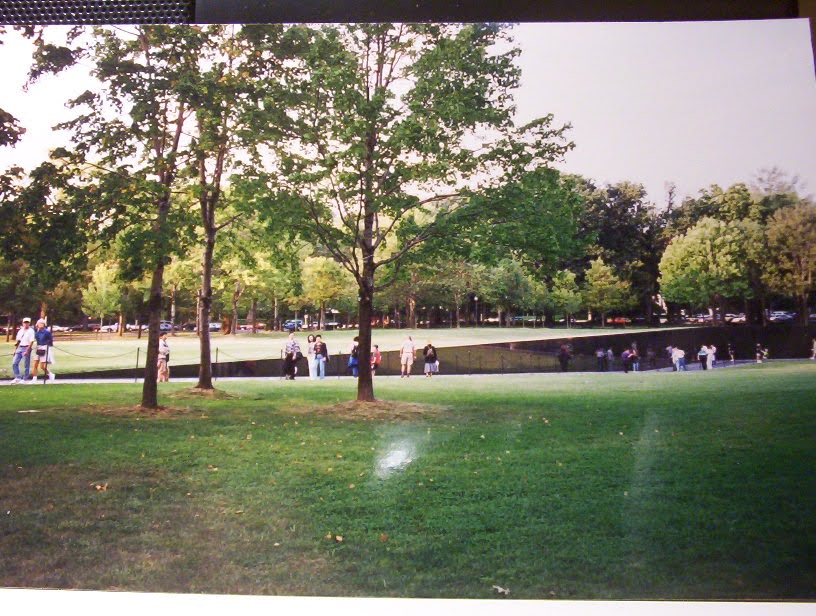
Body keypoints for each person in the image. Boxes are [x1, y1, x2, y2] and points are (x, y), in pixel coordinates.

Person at [11, 317, 36, 384]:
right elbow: (18, 341)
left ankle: (25, 379)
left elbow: (31, 341)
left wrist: (27, 350)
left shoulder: (31, 331)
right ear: (23, 323)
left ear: (29, 323)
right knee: (14, 363)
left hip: (26, 347)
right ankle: (18, 377)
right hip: (20, 347)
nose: (26, 324)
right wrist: (15, 350)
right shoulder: (20, 331)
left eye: (27, 323)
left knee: (26, 364)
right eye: (25, 322)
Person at [32, 318, 55, 382]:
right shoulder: (36, 332)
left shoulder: (47, 332)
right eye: (39, 323)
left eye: (42, 323)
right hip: (38, 347)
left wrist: (47, 345)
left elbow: (51, 341)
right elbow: (35, 338)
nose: (40, 324)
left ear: (44, 324)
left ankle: (50, 374)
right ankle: (34, 379)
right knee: (35, 364)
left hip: (44, 348)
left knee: (42, 366)